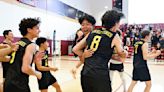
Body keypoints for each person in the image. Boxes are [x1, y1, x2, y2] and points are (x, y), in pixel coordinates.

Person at [73, 10, 128, 92]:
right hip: (100, 75)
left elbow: (75, 49)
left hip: (86, 73)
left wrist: (84, 54)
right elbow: (121, 54)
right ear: (116, 23)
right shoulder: (114, 36)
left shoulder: (92, 32)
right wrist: (125, 53)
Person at [4, 18, 43, 92]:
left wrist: (34, 59)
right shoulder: (31, 45)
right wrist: (37, 74)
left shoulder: (19, 42)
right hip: (19, 84)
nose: (39, 30)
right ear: (29, 30)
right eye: (37, 28)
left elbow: (18, 60)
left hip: (9, 81)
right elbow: (25, 68)